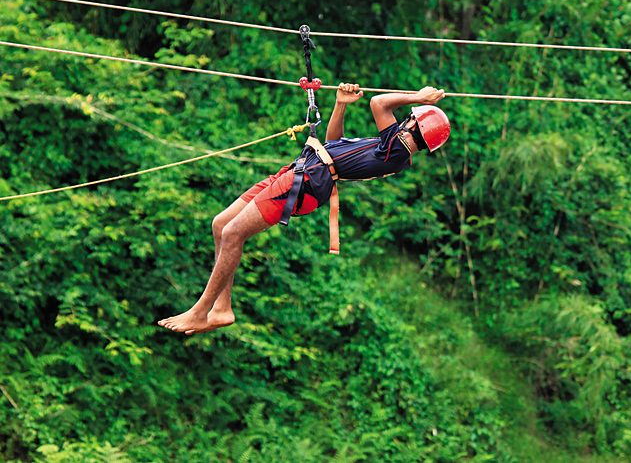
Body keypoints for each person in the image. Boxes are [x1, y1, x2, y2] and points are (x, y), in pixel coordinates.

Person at [157, 83, 449, 335]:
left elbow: (378, 102)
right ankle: (222, 308)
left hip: (308, 181)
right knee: (221, 224)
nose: (403, 120)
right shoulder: (385, 147)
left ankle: (201, 310)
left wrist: (419, 97)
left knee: (233, 233)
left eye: (410, 117)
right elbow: (334, 144)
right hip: (302, 170)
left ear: (414, 124)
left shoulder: (396, 151)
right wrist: (340, 105)